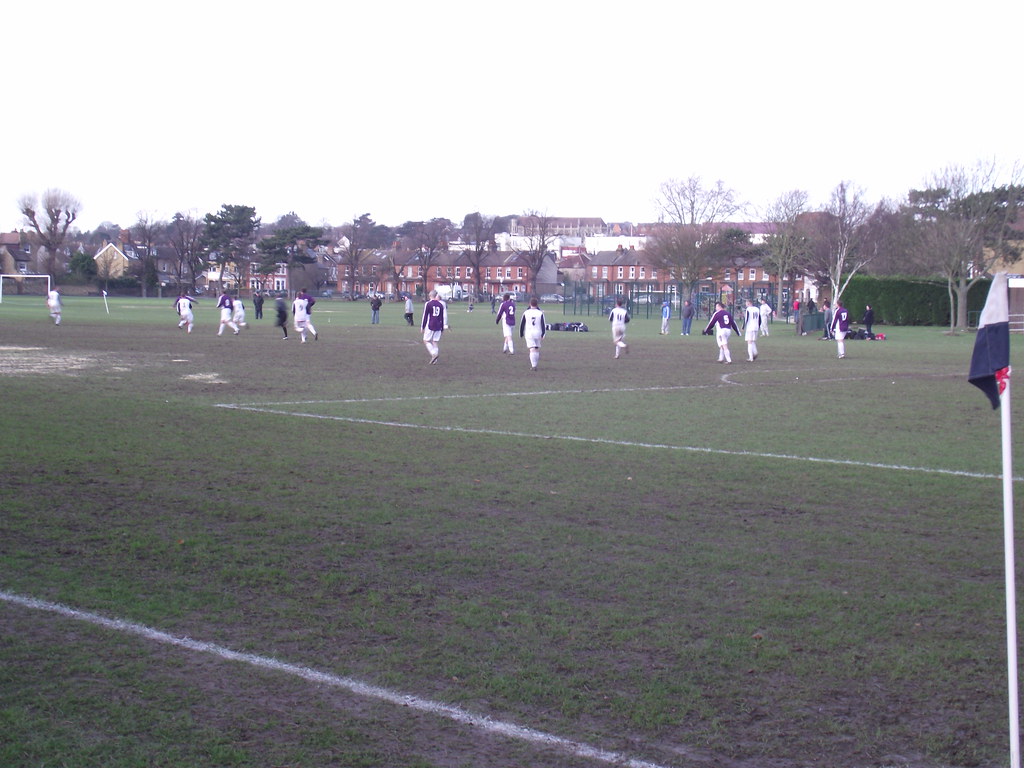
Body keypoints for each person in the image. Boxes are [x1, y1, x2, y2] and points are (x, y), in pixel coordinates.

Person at [421, 289, 448, 364]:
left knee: (426, 340)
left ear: (430, 296)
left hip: (431, 324)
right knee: (435, 341)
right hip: (439, 325)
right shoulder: (441, 304)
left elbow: (425, 316)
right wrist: (442, 327)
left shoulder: (428, 304)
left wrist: (422, 327)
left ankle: (433, 353)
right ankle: (435, 360)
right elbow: (442, 317)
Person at [519, 296, 546, 371]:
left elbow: (522, 324)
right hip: (538, 333)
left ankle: (533, 366)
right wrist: (543, 334)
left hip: (529, 333)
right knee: (536, 348)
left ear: (529, 304)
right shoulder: (540, 313)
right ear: (537, 304)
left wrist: (521, 333)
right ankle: (535, 365)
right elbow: (543, 324)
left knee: (532, 349)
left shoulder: (526, 312)